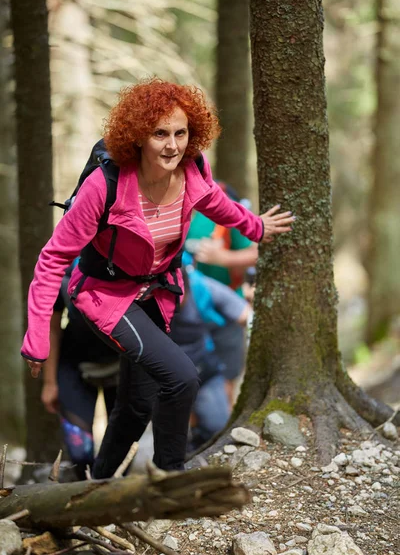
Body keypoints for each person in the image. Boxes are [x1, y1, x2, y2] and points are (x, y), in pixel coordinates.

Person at [21, 77, 295, 477]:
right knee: (182, 378)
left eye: (181, 133)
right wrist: (35, 340)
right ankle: (171, 479)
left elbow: (215, 202)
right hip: (105, 295)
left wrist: (254, 226)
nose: (172, 145)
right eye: (160, 133)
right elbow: (52, 259)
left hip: (156, 293)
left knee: (136, 405)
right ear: (137, 136)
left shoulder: (194, 169)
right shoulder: (106, 186)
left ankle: (96, 484)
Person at [41, 263, 119, 480]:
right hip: (75, 363)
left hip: (123, 363)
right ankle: (86, 493)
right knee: (80, 451)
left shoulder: (131, 265)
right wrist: (49, 383)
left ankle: (113, 498)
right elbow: (52, 330)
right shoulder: (64, 273)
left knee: (119, 449)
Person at [185, 183, 258, 406]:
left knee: (227, 376)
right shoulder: (183, 217)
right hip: (192, 312)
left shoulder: (231, 216)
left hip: (229, 309)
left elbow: (257, 251)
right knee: (189, 376)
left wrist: (223, 258)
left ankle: (224, 429)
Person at [169, 255, 251, 451]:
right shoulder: (147, 300)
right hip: (166, 373)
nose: (175, 304)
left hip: (202, 365)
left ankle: (200, 436)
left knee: (217, 427)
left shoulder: (202, 288)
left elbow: (246, 315)